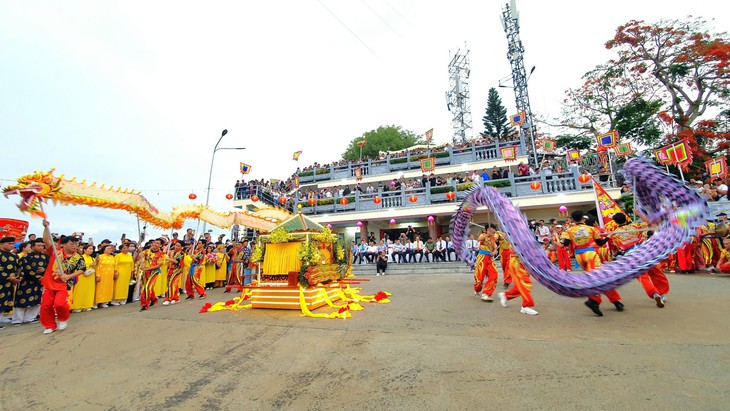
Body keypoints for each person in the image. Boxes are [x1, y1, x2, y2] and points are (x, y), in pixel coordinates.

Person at [563, 211, 623, 317]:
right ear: (583, 219)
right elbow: (600, 243)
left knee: (600, 277)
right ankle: (594, 300)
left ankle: (616, 301)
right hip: (590, 254)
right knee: (598, 278)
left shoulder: (569, 230)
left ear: (572, 220)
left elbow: (566, 244)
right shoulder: (591, 229)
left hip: (579, 256)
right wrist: (608, 237)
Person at [609, 212, 669, 307]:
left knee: (643, 277)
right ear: (626, 219)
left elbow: (616, 249)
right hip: (643, 252)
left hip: (630, 256)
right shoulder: (635, 226)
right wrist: (638, 213)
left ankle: (655, 294)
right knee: (655, 272)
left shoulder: (615, 234)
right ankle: (661, 293)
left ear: (615, 222)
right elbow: (650, 223)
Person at [40, 222, 86, 334]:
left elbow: (82, 269)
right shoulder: (55, 252)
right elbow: (46, 240)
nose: (74, 246)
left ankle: (63, 318)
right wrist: (46, 227)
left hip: (64, 284)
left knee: (60, 304)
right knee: (46, 305)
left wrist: (69, 276)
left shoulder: (77, 257)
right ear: (63, 245)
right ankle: (49, 325)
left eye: (76, 244)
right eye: (72, 244)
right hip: (49, 283)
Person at [14, 239, 47, 325]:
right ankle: (17, 320)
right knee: (22, 300)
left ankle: (30, 318)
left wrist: (44, 270)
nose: (41, 247)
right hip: (27, 281)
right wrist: (38, 277)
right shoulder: (26, 257)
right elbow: (27, 269)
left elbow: (49, 268)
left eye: (42, 246)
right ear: (33, 246)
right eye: (38, 245)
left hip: (40, 282)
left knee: (37, 300)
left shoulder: (45, 257)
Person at [498, 245, 538, 315]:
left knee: (521, 285)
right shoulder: (516, 235)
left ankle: (506, 295)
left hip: (522, 262)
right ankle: (526, 306)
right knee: (524, 284)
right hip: (517, 263)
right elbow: (512, 247)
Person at [136, 238, 164, 311]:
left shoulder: (161, 254)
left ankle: (145, 304)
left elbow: (159, 265)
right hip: (145, 272)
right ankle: (153, 299)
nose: (155, 244)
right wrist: (138, 252)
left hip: (154, 272)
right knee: (146, 286)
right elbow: (138, 258)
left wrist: (147, 269)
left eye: (157, 243)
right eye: (154, 242)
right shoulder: (146, 251)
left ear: (160, 245)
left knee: (147, 287)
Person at [474, 224, 499, 302]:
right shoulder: (483, 235)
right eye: (493, 228)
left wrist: (494, 252)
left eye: (494, 229)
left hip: (490, 258)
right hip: (482, 257)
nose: (494, 230)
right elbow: (479, 239)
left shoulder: (493, 239)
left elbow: (496, 248)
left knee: (494, 274)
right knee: (480, 277)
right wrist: (487, 234)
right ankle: (477, 289)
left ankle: (486, 293)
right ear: (488, 229)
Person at [0, 237, 21, 328]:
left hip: (11, 283)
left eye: (13, 243)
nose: (12, 245)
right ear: (1, 244)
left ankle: (1, 317)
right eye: (9, 243)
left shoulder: (14, 256)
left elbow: (18, 268)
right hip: (2, 281)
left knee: (6, 300)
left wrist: (18, 277)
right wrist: (7, 277)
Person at [71, 244, 96, 312]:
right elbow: (78, 267)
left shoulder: (92, 258)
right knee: (80, 290)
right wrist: (89, 266)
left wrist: (94, 265)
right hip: (81, 276)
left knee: (89, 290)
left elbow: (95, 268)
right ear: (84, 250)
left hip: (90, 276)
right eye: (89, 249)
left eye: (92, 249)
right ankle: (77, 306)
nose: (91, 250)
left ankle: (87, 305)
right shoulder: (80, 258)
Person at [94, 244, 116, 308]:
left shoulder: (112, 257)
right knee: (100, 288)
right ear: (104, 250)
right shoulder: (100, 257)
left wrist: (115, 272)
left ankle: (105, 301)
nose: (110, 249)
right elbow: (97, 266)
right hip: (102, 275)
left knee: (108, 288)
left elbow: (114, 266)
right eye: (108, 248)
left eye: (110, 248)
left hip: (110, 276)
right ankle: (97, 302)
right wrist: (97, 275)